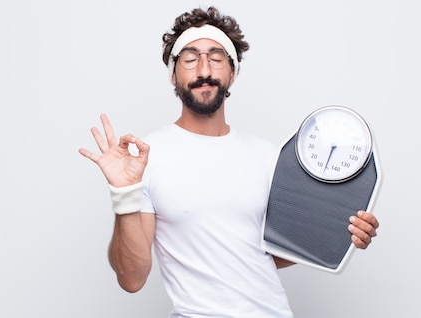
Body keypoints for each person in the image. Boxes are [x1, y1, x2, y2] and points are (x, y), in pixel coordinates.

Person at [79, 6, 379, 318]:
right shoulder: (146, 158)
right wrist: (124, 195)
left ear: (232, 72)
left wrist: (339, 231)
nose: (204, 70)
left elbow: (271, 252)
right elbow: (132, 278)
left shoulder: (268, 156)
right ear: (173, 74)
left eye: (217, 58)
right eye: (190, 58)